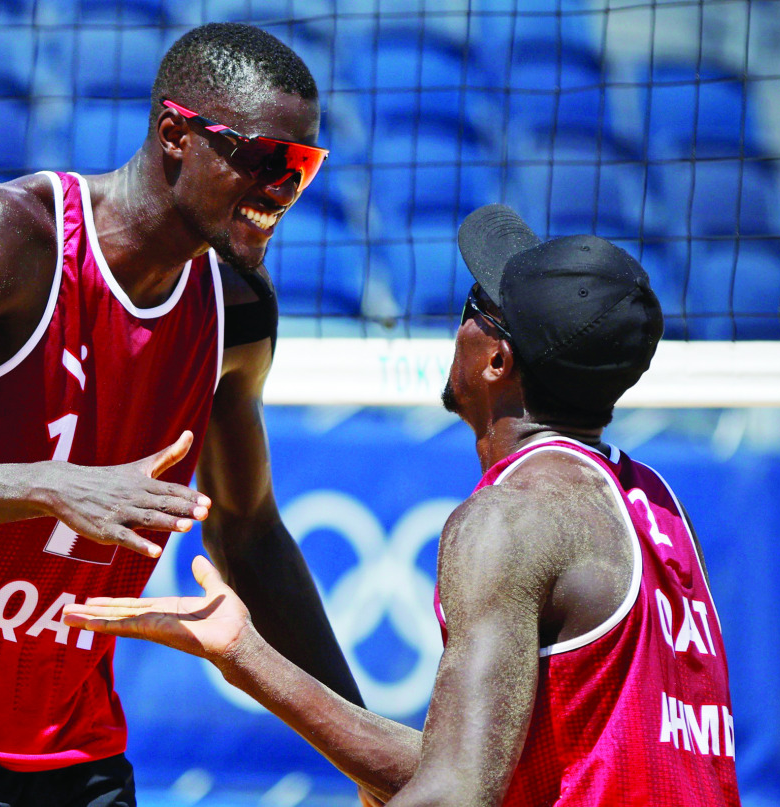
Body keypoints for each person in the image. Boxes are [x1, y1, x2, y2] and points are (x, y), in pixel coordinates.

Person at [0, 22, 363, 807]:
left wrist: (364, 742)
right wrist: (54, 485)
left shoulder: (237, 310)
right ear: (176, 135)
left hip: (70, 739)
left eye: (302, 166)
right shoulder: (8, 238)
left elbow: (249, 531)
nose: (283, 189)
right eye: (267, 158)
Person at [61, 205, 743, 806]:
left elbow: (452, 795)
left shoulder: (510, 518)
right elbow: (469, 765)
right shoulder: (658, 505)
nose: (458, 321)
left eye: (475, 304)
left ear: (496, 360)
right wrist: (245, 652)